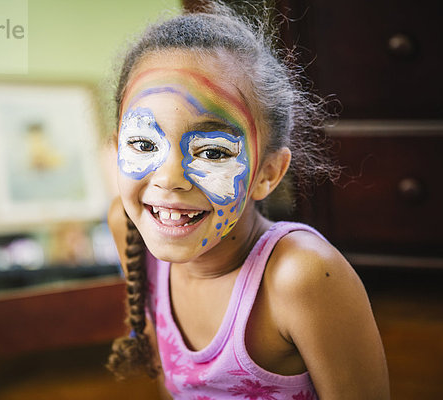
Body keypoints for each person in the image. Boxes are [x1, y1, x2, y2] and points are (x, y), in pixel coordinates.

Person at [105, 2, 389, 399]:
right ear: (117, 148)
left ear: (268, 173)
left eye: (214, 151)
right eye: (143, 143)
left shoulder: (301, 276)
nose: (169, 178)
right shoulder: (130, 228)